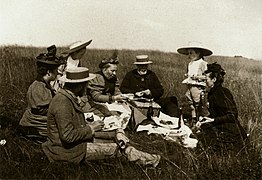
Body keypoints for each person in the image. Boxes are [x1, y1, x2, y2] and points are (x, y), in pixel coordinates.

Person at [42, 67, 161, 166]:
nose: (87, 87)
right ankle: (153, 161)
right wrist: (92, 128)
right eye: (86, 84)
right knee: (116, 149)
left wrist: (113, 132)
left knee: (113, 136)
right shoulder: (62, 103)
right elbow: (67, 136)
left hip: (74, 145)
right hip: (66, 152)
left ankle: (147, 157)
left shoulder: (68, 98)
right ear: (78, 86)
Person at [195, 62, 247, 152]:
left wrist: (213, 120)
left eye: (206, 79)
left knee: (202, 143)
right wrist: (205, 119)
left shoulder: (223, 93)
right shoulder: (212, 93)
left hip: (231, 131)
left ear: (214, 79)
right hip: (222, 126)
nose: (204, 81)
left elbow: (232, 116)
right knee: (200, 134)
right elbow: (217, 113)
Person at [19, 45, 64, 142]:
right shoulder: (38, 87)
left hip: (40, 123)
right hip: (35, 126)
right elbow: (41, 111)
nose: (57, 73)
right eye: (55, 71)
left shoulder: (44, 85)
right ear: (48, 72)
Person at [177, 43, 212, 123]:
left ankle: (200, 119)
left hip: (197, 86)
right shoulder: (190, 63)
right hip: (190, 85)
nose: (189, 55)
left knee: (198, 103)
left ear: (198, 53)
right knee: (191, 103)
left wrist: (197, 77)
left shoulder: (203, 63)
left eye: (191, 53)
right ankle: (193, 119)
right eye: (188, 53)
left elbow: (207, 76)